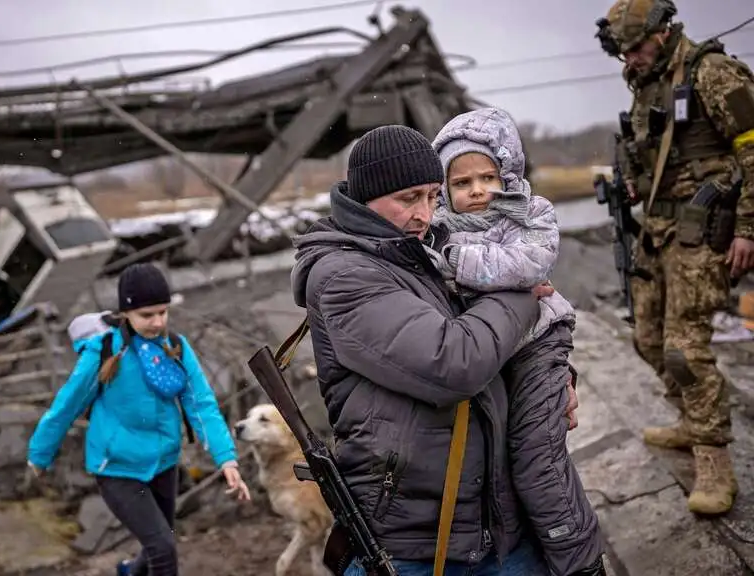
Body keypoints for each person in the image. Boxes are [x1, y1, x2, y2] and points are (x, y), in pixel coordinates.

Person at [291, 124, 575, 576]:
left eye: (432, 196)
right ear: (366, 197)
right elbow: (455, 361)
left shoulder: (416, 250)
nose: (424, 214)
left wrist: (555, 381)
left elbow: (495, 343)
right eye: (408, 199)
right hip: (414, 542)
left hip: (492, 523)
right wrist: (522, 287)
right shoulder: (345, 275)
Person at [428, 107, 606, 576]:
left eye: (488, 177)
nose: (477, 191)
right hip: (491, 351)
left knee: (537, 460)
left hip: (538, 343)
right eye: (462, 183)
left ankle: (580, 560)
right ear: (444, 188)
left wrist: (455, 262)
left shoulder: (532, 213)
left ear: (506, 173)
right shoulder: (437, 228)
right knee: (497, 465)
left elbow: (526, 266)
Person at [595, 0, 754, 515]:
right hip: (659, 231)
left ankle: (714, 460)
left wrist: (748, 230)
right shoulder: (645, 82)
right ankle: (692, 419)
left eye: (636, 49)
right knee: (647, 337)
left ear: (663, 34)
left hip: (705, 231)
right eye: (623, 53)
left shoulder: (712, 72)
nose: (629, 61)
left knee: (684, 346)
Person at [27, 263, 250, 576]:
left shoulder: (176, 347)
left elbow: (202, 405)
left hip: (164, 463)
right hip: (117, 467)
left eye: (163, 312)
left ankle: (129, 572)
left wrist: (227, 460)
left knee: (156, 543)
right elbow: (66, 406)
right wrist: (40, 454)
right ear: (125, 314)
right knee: (163, 549)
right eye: (147, 315)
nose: (158, 322)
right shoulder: (104, 352)